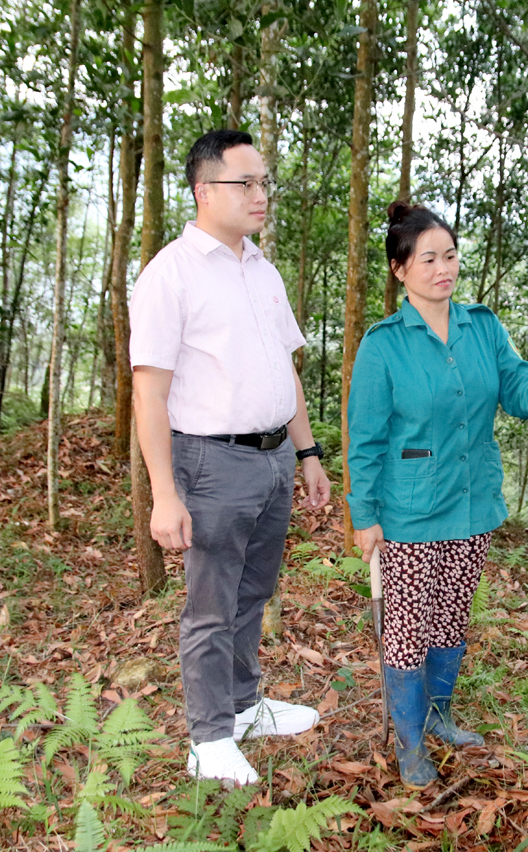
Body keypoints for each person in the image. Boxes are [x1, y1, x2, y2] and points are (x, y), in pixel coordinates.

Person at [129, 129, 331, 787]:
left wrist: (307, 452)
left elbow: (285, 369)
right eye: (245, 183)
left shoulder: (261, 269)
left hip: (272, 459)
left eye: (264, 182)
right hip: (210, 463)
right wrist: (164, 491)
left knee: (253, 592)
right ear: (203, 190)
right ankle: (209, 737)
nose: (260, 194)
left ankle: (245, 705)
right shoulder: (171, 274)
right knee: (211, 605)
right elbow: (149, 391)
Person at [346, 202, 528, 787]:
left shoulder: (482, 325)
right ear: (400, 270)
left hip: (471, 501)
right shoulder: (384, 344)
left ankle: (439, 714)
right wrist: (365, 515)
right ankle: (409, 742)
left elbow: (515, 381)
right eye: (428, 258)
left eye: (451, 256)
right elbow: (365, 438)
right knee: (407, 628)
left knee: (451, 618)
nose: (444, 268)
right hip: (407, 510)